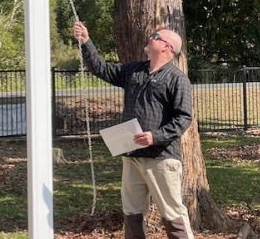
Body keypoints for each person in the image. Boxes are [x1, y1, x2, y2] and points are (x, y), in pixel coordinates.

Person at [72, 21, 194, 239]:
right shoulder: (134, 71)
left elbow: (183, 118)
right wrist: (86, 42)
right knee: (132, 213)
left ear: (167, 47)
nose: (150, 38)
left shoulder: (177, 79)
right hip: (132, 156)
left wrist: (154, 136)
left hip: (161, 159)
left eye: (156, 37)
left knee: (173, 214)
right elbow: (102, 68)